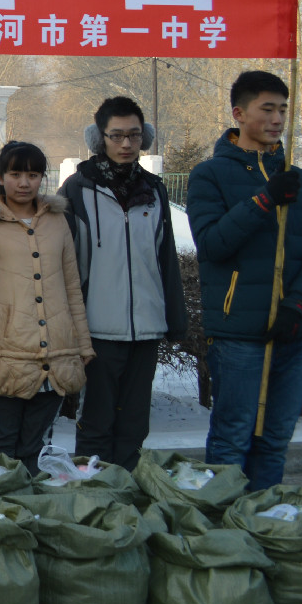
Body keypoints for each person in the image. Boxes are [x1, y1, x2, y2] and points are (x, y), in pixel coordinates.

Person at [186, 69, 302, 490]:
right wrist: (264, 200)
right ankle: (223, 532)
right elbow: (214, 244)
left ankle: (264, 525)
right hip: (237, 332)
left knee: (274, 440)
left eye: (284, 110)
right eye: (267, 109)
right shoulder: (210, 174)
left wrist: (297, 304)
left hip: (290, 333)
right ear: (239, 113)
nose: (277, 119)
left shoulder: (295, 177)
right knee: (232, 437)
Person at [60, 97, 187, 469]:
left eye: (134, 135)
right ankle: (94, 501)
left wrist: (174, 318)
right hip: (97, 331)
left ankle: (128, 500)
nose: (127, 144)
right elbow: (64, 264)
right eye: (117, 136)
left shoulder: (154, 189)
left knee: (134, 426)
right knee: (96, 426)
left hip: (146, 328)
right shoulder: (77, 189)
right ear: (100, 138)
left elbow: (166, 259)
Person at [0, 142, 94, 474]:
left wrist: (82, 344)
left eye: (33, 174)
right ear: (2, 177)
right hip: (4, 354)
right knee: (2, 444)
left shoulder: (56, 221)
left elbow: (71, 287)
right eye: (16, 174)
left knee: (38, 447)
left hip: (56, 352)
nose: (24, 183)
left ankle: (33, 516)